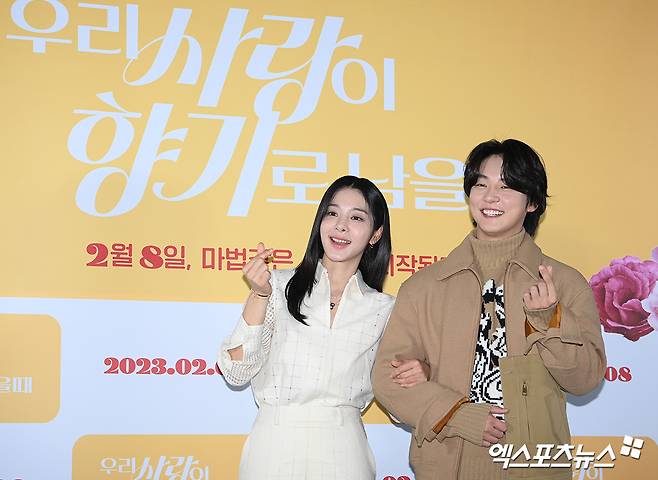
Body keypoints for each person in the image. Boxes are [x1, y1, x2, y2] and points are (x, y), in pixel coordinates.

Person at [372, 139, 606, 480]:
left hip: (532, 467)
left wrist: (550, 321)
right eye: (481, 184)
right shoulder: (425, 286)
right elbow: (386, 378)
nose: (490, 197)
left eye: (507, 187)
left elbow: (586, 379)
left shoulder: (563, 283)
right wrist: (456, 415)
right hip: (446, 464)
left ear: (533, 202)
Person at [218, 175, 428, 480]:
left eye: (356, 217)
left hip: (345, 449)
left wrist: (420, 374)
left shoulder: (385, 309)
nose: (340, 226)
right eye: (332, 213)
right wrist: (260, 295)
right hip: (273, 444)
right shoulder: (276, 286)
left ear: (375, 234)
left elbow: (398, 406)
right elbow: (236, 372)